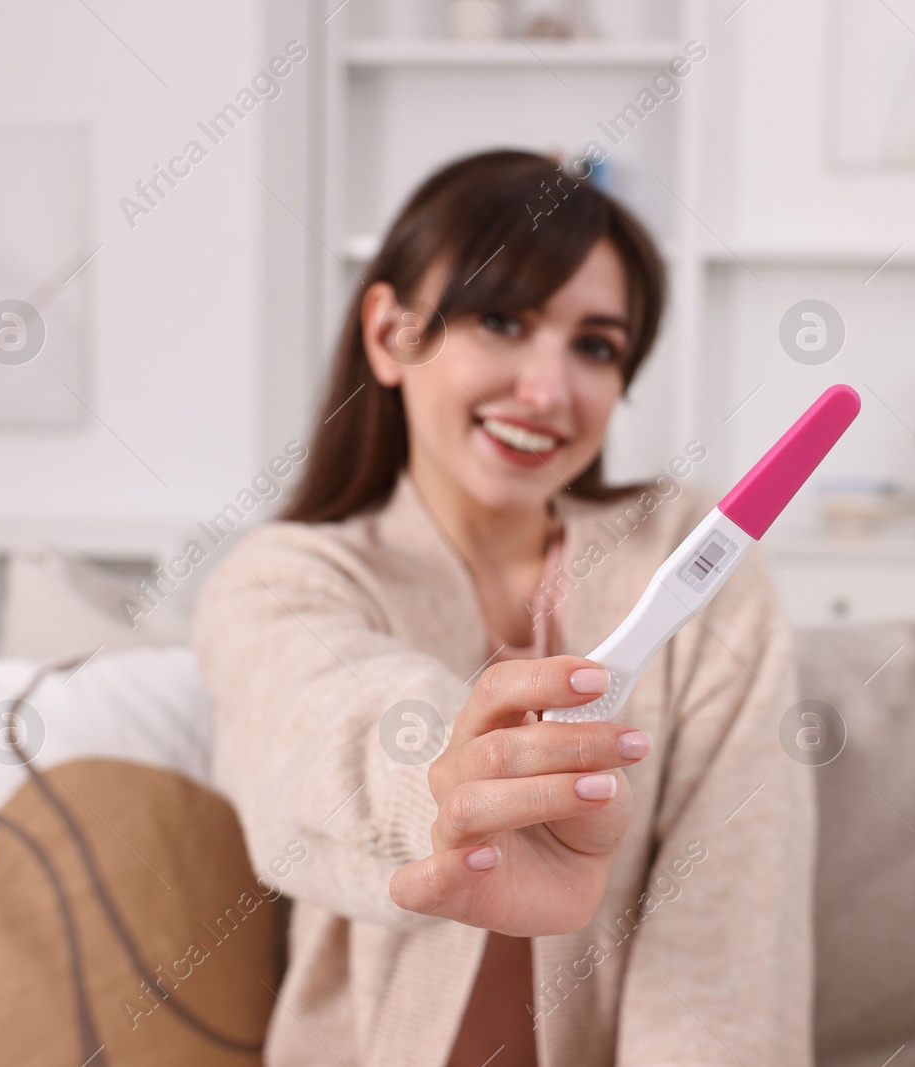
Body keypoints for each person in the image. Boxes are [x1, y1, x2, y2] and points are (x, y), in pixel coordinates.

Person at [192, 149, 813, 1067]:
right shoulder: (282, 579)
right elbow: (320, 727)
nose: (549, 389)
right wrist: (453, 787)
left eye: (596, 345)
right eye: (499, 320)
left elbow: (729, 937)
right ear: (392, 334)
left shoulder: (695, 567)